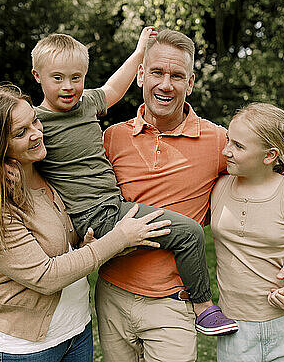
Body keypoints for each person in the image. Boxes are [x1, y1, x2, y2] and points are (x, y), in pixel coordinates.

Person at [96, 29, 284, 362]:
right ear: (140, 75)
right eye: (157, 72)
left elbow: (271, 188)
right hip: (112, 295)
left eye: (177, 76)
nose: (166, 84)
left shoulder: (217, 141)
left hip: (175, 301)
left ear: (191, 82)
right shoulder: (112, 138)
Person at [30, 27, 238, 334]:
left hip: (125, 228)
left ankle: (199, 306)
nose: (68, 86)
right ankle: (205, 307)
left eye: (76, 78)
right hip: (101, 220)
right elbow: (18, 158)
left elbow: (114, 88)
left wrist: (141, 48)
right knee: (190, 232)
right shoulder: (37, 124)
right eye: (57, 78)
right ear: (38, 76)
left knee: (187, 232)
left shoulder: (86, 105)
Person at [0, 84, 172, 362]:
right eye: (21, 133)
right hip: (29, 349)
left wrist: (84, 245)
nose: (37, 134)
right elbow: (45, 277)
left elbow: (57, 246)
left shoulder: (44, 172)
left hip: (76, 331)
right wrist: (118, 239)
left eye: (34, 120)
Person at [212, 103, 284, 361]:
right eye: (228, 140)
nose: (226, 151)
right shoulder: (218, 187)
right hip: (235, 329)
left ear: (269, 155)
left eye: (238, 146)